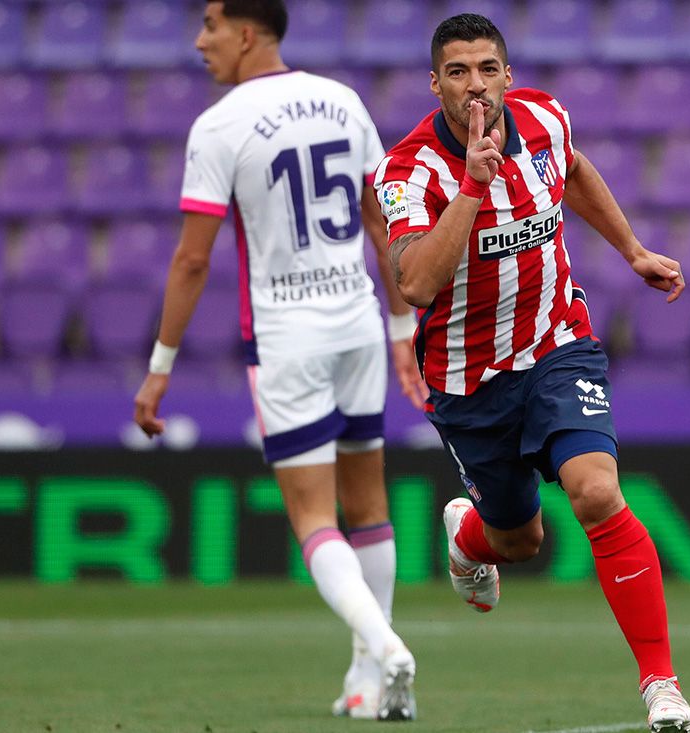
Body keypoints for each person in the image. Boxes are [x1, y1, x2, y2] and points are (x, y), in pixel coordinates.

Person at [373, 13, 690, 733]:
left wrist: (632, 249)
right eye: (457, 72)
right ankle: (470, 539)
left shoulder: (545, 118)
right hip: (468, 381)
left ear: (508, 76)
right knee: (520, 540)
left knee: (594, 490)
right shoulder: (406, 173)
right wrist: (470, 187)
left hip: (557, 342)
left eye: (487, 68)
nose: (475, 85)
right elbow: (417, 285)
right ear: (436, 85)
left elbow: (574, 169)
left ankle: (661, 684)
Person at [132, 0, 428, 721]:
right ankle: (367, 679)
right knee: (369, 503)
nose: (200, 42)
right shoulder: (342, 100)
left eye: (209, 26)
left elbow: (192, 260)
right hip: (357, 317)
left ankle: (385, 647)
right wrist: (399, 327)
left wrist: (160, 364)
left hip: (288, 336)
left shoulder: (220, 125)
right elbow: (380, 219)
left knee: (312, 515)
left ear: (245, 32)